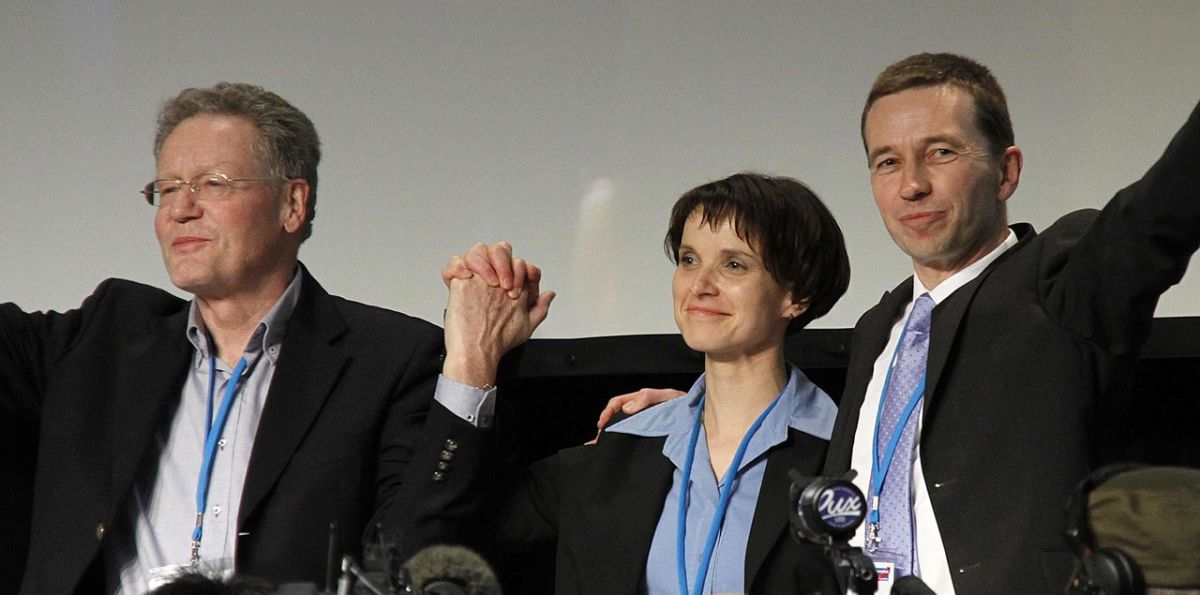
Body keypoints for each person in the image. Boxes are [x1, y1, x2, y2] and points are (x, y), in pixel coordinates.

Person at [601, 53, 1200, 594]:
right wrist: (706, 417)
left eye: (941, 152)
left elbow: (1155, 219)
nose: (912, 184)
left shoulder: (1057, 283)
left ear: (1006, 172)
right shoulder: (877, 328)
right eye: (888, 162)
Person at [0, 82, 448, 594]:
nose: (180, 209)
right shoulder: (100, 342)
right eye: (166, 189)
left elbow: (412, 553)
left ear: (292, 204)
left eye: (212, 184)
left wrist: (473, 372)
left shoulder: (387, 358)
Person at [421, 173, 852, 593]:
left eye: (734, 264)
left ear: (797, 296)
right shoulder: (621, 448)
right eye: (688, 259)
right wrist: (472, 356)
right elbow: (442, 532)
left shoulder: (847, 453)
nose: (700, 285)